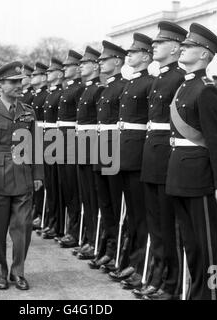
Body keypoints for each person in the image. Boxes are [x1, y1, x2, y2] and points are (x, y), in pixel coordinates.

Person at [166, 23, 217, 300]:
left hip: (200, 175)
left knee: (208, 246)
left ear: (204, 54)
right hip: (179, 172)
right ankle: (196, 293)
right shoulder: (185, 86)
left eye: (190, 46)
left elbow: (215, 139)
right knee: (190, 245)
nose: (183, 48)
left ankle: (213, 296)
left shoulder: (206, 90)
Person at [0, 61, 43, 290]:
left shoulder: (28, 112)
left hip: (23, 175)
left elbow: (35, 146)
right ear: (0, 85)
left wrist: (38, 174)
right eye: (12, 82)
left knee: (23, 228)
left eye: (20, 81)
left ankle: (18, 271)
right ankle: (0, 273)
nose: (18, 86)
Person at [136, 21, 187, 300]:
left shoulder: (180, 78)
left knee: (169, 225)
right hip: (152, 156)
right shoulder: (159, 77)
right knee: (156, 224)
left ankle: (172, 282)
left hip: (167, 156)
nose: (153, 46)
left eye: (160, 42)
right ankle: (158, 275)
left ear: (176, 48)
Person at [109, 33, 154, 286]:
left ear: (145, 56)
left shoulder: (150, 83)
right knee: (132, 216)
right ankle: (132, 261)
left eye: (134, 52)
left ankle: (141, 265)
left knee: (141, 215)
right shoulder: (129, 83)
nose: (129, 55)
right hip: (125, 155)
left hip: (139, 157)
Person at [88, 40, 127, 271]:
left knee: (115, 202)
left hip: (114, 147)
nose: (100, 62)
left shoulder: (123, 86)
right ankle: (109, 249)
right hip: (101, 145)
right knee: (105, 203)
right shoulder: (106, 88)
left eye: (104, 59)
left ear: (117, 61)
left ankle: (118, 253)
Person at [75, 46, 103, 259]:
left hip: (95, 143)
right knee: (87, 196)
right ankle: (90, 238)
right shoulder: (86, 89)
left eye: (84, 63)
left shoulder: (99, 88)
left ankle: (97, 242)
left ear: (95, 66)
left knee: (96, 197)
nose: (80, 66)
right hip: (84, 142)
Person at [56, 50, 85, 249]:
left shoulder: (80, 89)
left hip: (74, 142)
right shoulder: (68, 89)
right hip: (61, 140)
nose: (65, 69)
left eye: (68, 66)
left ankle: (75, 231)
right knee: (65, 188)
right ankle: (68, 227)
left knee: (74, 191)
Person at [41, 58, 64, 240]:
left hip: (61, 142)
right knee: (50, 185)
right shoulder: (52, 94)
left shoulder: (62, 92)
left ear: (59, 74)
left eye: (51, 71)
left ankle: (58, 224)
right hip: (48, 140)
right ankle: (52, 221)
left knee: (60, 188)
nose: (47, 74)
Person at [29, 62, 49, 230]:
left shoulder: (45, 95)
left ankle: (42, 214)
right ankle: (36, 211)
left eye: (35, 75)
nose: (31, 78)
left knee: (44, 180)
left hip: (47, 139)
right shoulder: (34, 96)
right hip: (35, 138)